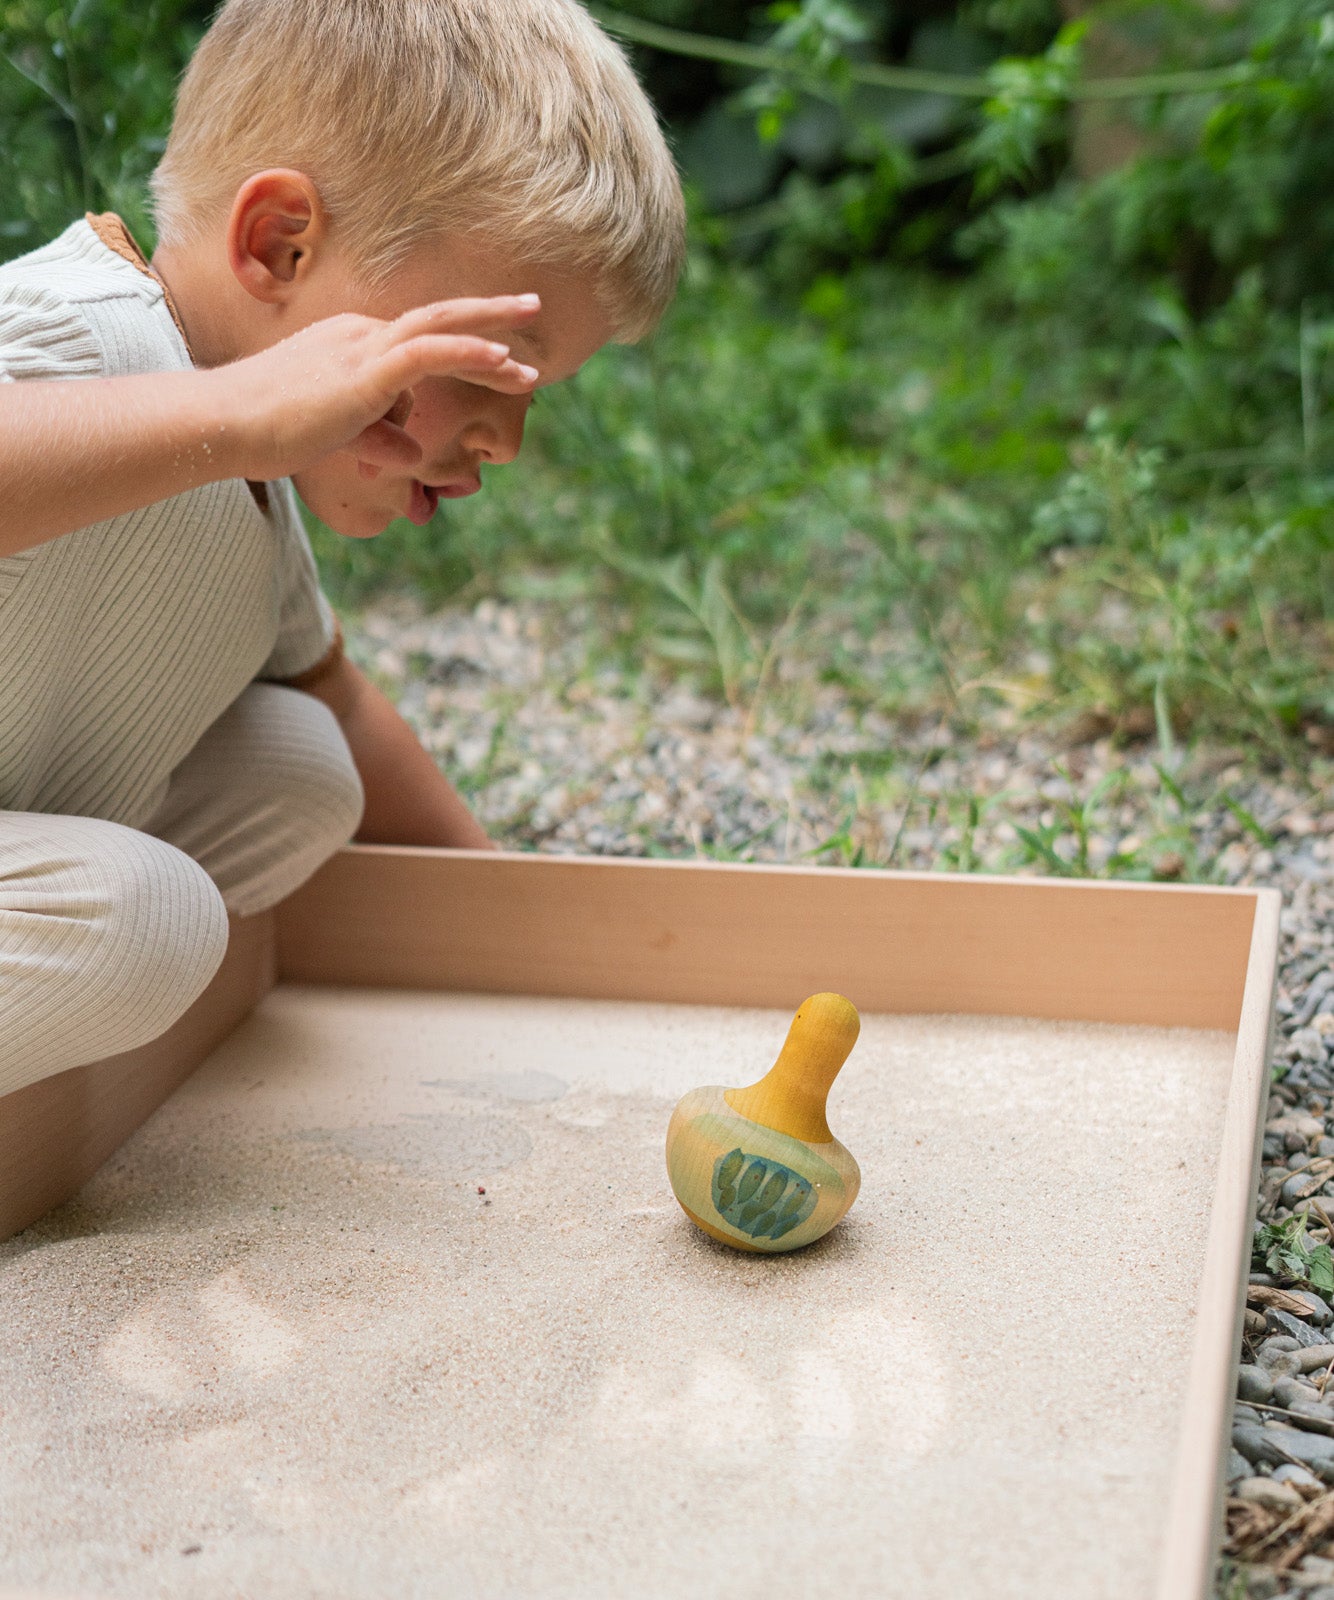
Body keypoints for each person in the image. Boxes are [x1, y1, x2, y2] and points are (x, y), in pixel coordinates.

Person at [0, 0, 685, 1095]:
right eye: (475, 366)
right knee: (147, 920)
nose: (501, 440)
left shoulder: (248, 489)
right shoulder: (87, 331)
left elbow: (346, 708)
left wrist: (529, 937)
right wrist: (232, 415)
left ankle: (62, 1076)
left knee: (302, 766)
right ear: (280, 243)